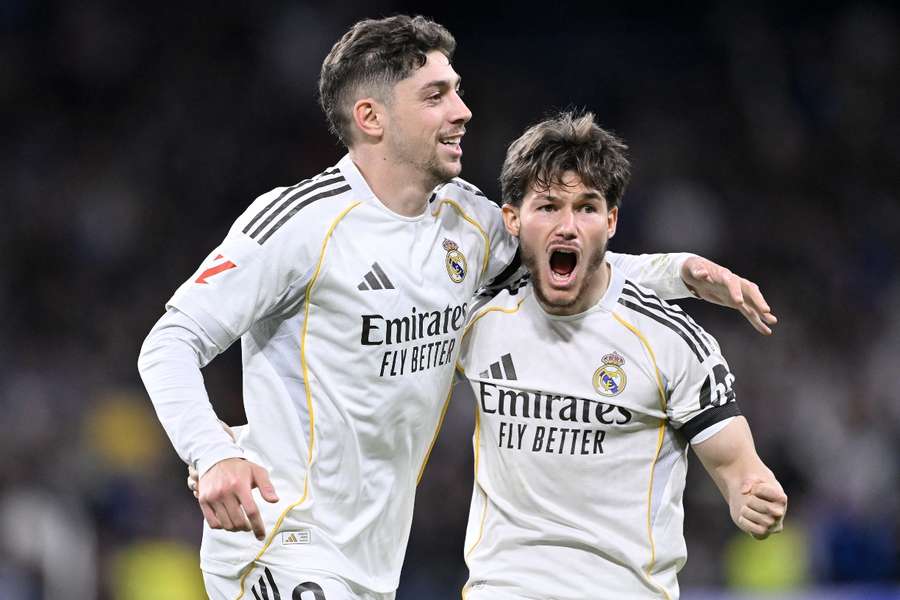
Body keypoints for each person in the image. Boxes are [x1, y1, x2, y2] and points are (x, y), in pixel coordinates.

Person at [139, 15, 776, 600]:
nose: (463, 111)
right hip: (282, 538)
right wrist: (211, 451)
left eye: (458, 91)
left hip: (370, 559)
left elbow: (565, 258)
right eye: (436, 96)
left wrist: (680, 273)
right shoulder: (300, 224)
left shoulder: (466, 221)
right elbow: (169, 341)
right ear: (371, 117)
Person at [457, 111, 787, 600]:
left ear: (610, 221)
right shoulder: (476, 322)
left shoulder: (671, 340)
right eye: (548, 206)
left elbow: (739, 468)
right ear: (513, 220)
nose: (567, 227)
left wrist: (750, 495)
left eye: (586, 208)